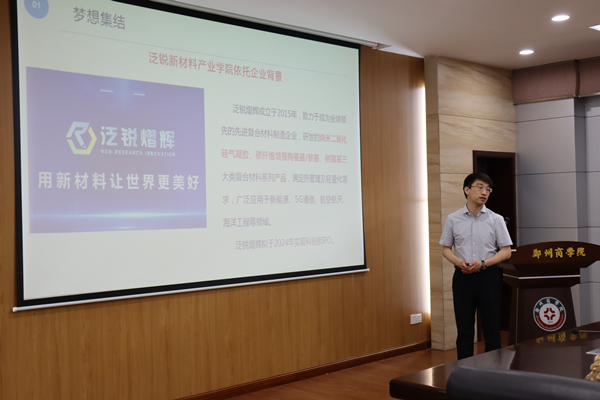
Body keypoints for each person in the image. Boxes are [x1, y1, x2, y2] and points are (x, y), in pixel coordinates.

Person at [439, 172, 512, 359]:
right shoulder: (453, 219)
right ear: (467, 190)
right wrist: (459, 262)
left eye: (488, 189)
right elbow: (445, 248)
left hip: (488, 276)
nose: (484, 192)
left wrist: (484, 263)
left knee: (492, 328)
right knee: (464, 329)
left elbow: (506, 251)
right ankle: (464, 369)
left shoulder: (496, 219)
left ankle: (493, 370)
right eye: (479, 187)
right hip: (462, 277)